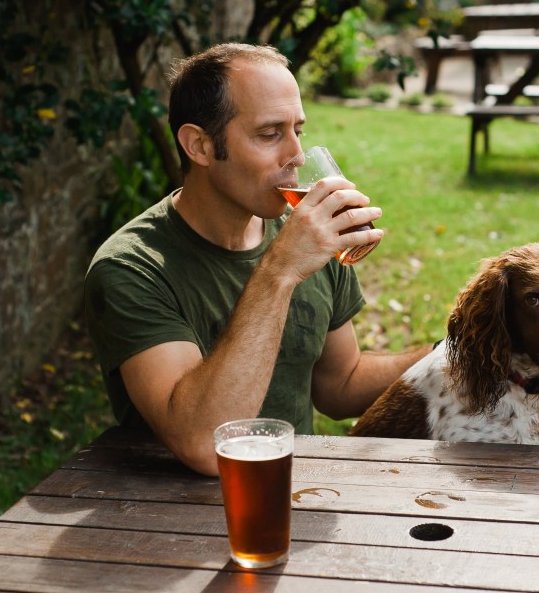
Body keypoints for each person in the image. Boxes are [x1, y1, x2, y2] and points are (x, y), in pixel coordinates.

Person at [84, 43, 430, 476]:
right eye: (270, 134)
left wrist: (449, 354)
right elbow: (206, 447)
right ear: (200, 146)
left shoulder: (307, 235)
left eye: (297, 131)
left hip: (289, 493)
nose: (297, 156)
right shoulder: (131, 268)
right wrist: (280, 269)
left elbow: (339, 385)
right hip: (164, 517)